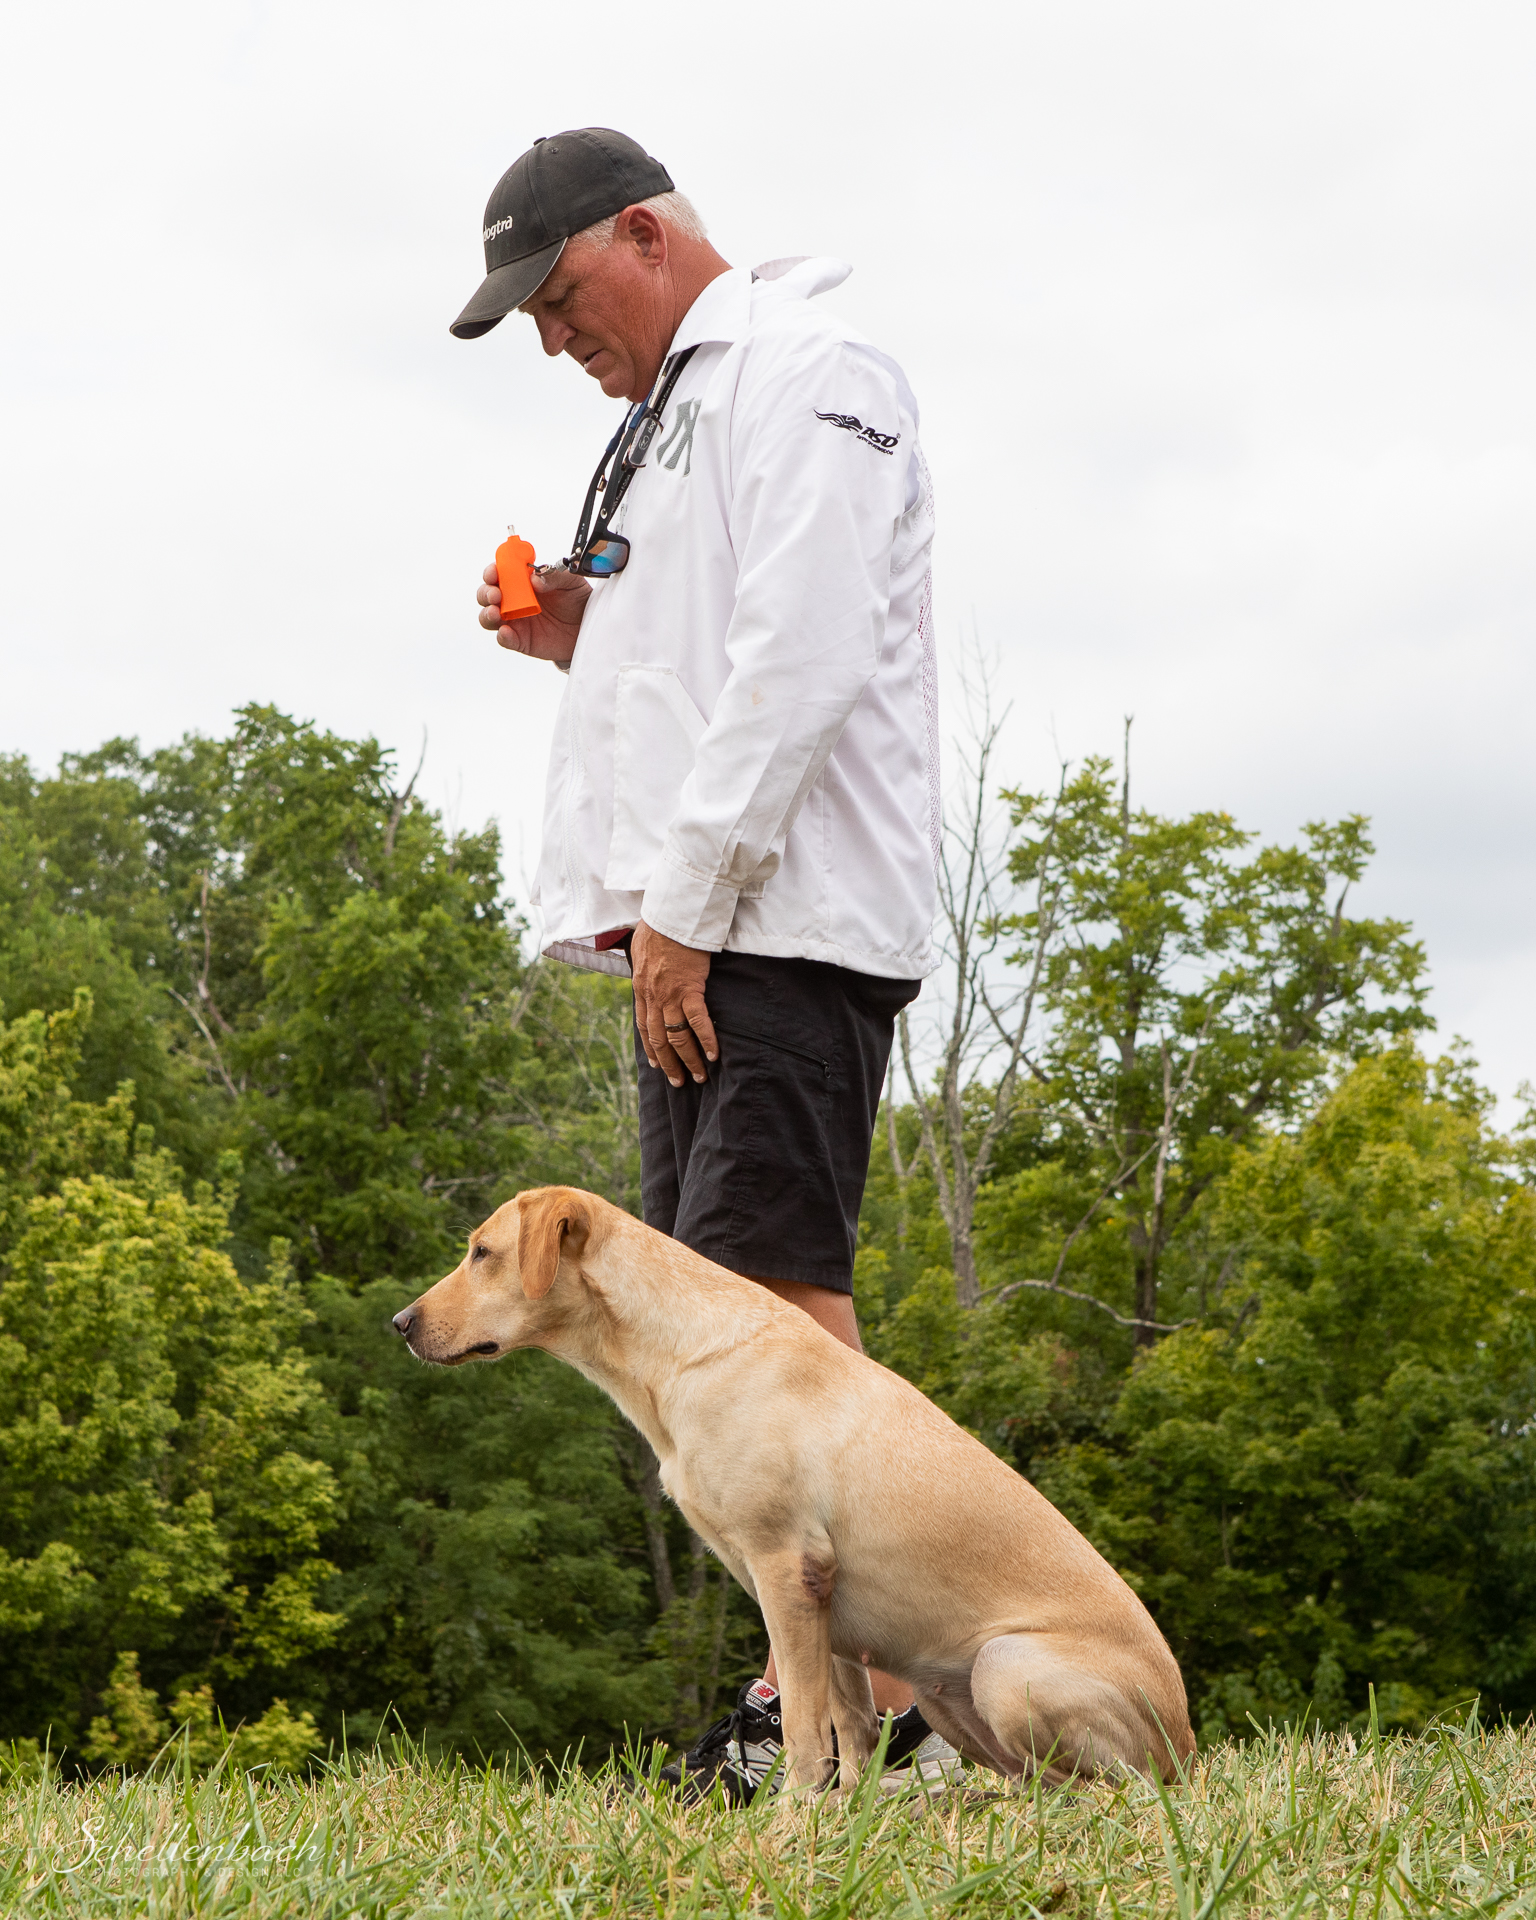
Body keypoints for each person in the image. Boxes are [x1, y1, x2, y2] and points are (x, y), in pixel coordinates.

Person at [451, 127, 954, 1801]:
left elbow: (804, 651)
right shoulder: (673, 417)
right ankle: (838, 1704)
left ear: (644, 234)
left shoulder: (810, 371)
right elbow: (702, 647)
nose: (551, 339)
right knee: (742, 1297)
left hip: (773, 917)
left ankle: (875, 1706)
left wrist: (692, 900)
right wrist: (573, 636)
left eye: (558, 297)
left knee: (771, 1305)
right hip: (701, 922)